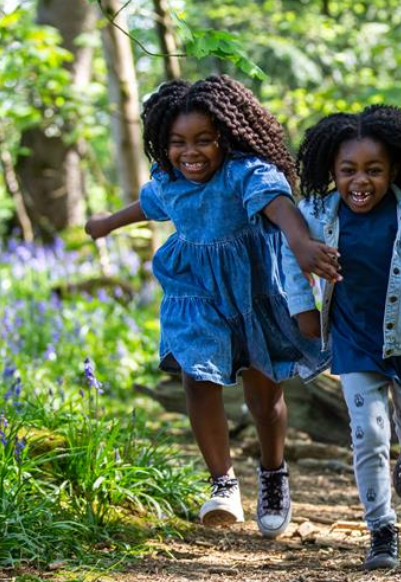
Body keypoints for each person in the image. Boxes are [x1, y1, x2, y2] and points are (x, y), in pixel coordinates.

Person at [85, 75, 340, 538]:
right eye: (178, 142)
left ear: (226, 137)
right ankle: (223, 483)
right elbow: (148, 205)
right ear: (164, 144)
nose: (191, 152)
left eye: (204, 140)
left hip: (255, 291)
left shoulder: (245, 173)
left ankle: (272, 474)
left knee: (264, 399)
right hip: (194, 290)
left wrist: (301, 242)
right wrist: (105, 223)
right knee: (196, 375)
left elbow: (280, 205)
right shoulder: (170, 181)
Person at [282, 105, 401, 569]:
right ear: (333, 171)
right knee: (367, 434)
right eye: (348, 171)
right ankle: (382, 529)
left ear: (393, 171)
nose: (359, 181)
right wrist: (303, 306)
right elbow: (290, 255)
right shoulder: (316, 212)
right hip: (352, 341)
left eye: (373, 170)